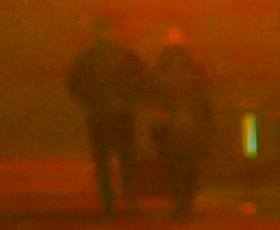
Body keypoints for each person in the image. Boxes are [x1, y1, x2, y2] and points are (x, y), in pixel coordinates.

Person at [64, 22, 145, 211]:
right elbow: (140, 80)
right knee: (121, 158)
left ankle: (112, 198)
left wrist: (90, 100)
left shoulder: (88, 57)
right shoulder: (124, 55)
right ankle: (123, 196)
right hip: (116, 113)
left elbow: (74, 83)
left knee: (107, 159)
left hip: (105, 112)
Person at [139, 26, 215, 216]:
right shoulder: (194, 67)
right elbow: (204, 95)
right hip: (191, 123)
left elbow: (153, 93)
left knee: (173, 165)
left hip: (171, 123)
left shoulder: (161, 67)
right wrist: (207, 122)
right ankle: (187, 201)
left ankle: (179, 201)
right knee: (190, 164)